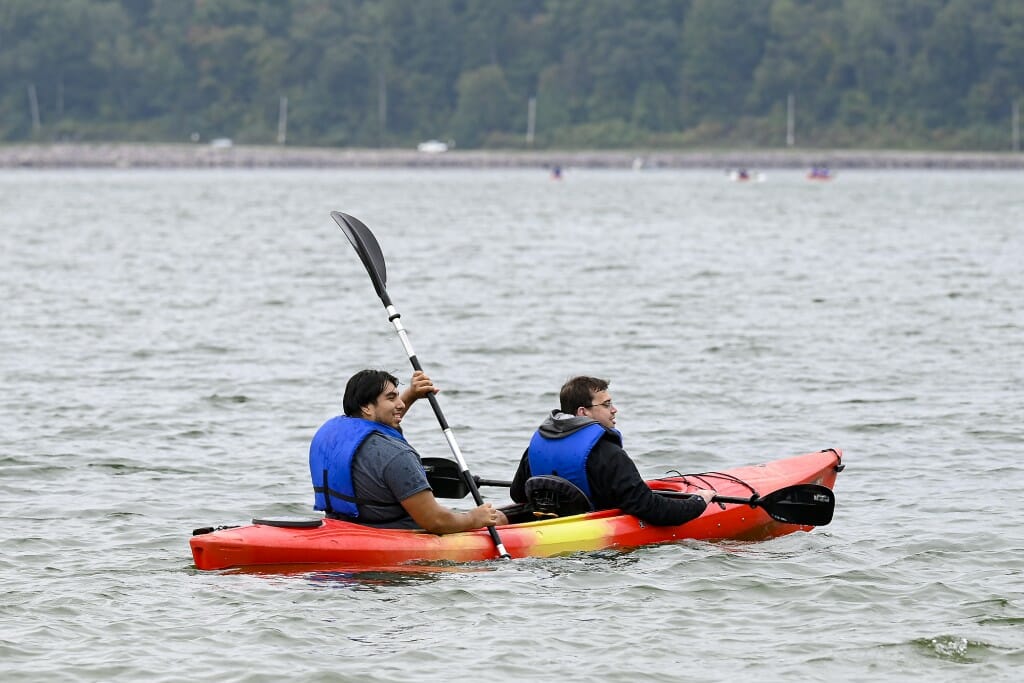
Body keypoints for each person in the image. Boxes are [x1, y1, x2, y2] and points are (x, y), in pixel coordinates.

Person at [310, 369, 507, 532]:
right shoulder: (396, 455)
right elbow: (435, 521)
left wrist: (411, 394)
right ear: (366, 407)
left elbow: (378, 428)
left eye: (398, 396)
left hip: (345, 527)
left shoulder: (331, 437)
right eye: (391, 397)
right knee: (500, 519)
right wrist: (474, 518)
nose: (400, 404)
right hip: (394, 535)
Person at [510, 376, 715, 525]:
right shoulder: (608, 454)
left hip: (550, 527)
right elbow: (651, 509)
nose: (614, 410)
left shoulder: (536, 447)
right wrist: (698, 502)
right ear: (583, 412)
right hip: (593, 546)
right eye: (607, 404)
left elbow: (518, 494)